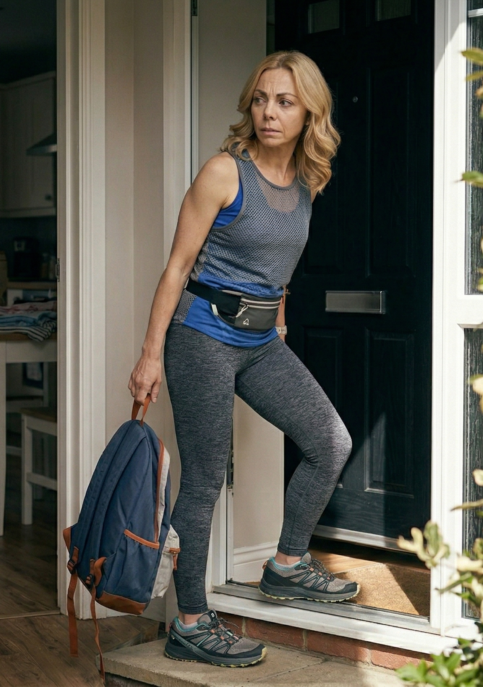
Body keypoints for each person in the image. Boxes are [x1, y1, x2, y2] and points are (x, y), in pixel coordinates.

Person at [128, 50, 358, 668]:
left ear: (309, 112)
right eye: (260, 99)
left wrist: (279, 324)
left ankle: (286, 564)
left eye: (284, 101)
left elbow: (280, 266)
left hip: (258, 344)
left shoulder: (308, 181)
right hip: (200, 337)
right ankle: (190, 622)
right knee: (205, 479)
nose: (268, 113)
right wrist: (150, 357)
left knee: (330, 441)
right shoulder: (224, 173)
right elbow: (176, 268)